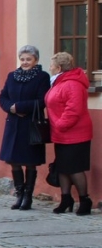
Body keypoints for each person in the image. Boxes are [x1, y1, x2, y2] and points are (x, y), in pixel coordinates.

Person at [0, 45, 51, 210]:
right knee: (14, 161)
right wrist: (11, 108)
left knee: (30, 162)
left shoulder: (42, 77)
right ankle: (19, 194)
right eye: (22, 59)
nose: (25, 62)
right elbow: (3, 96)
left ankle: (28, 196)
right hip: (13, 123)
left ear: (36, 60)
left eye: (29, 59)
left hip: (31, 124)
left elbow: (42, 100)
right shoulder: (12, 76)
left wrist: (20, 107)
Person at [46, 52, 93, 215]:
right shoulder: (59, 82)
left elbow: (73, 110)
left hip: (75, 133)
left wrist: (60, 125)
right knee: (63, 167)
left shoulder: (72, 84)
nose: (50, 68)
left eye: (52, 65)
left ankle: (85, 200)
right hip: (61, 133)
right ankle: (66, 199)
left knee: (74, 168)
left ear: (59, 68)